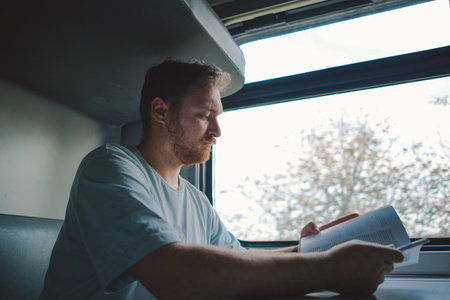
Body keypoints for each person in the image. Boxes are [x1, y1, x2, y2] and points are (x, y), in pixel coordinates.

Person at [40, 59, 403, 300]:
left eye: (217, 116)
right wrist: (328, 270)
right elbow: (174, 276)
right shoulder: (109, 169)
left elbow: (238, 260)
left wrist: (311, 248)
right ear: (160, 112)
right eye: (203, 115)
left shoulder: (196, 199)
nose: (216, 131)